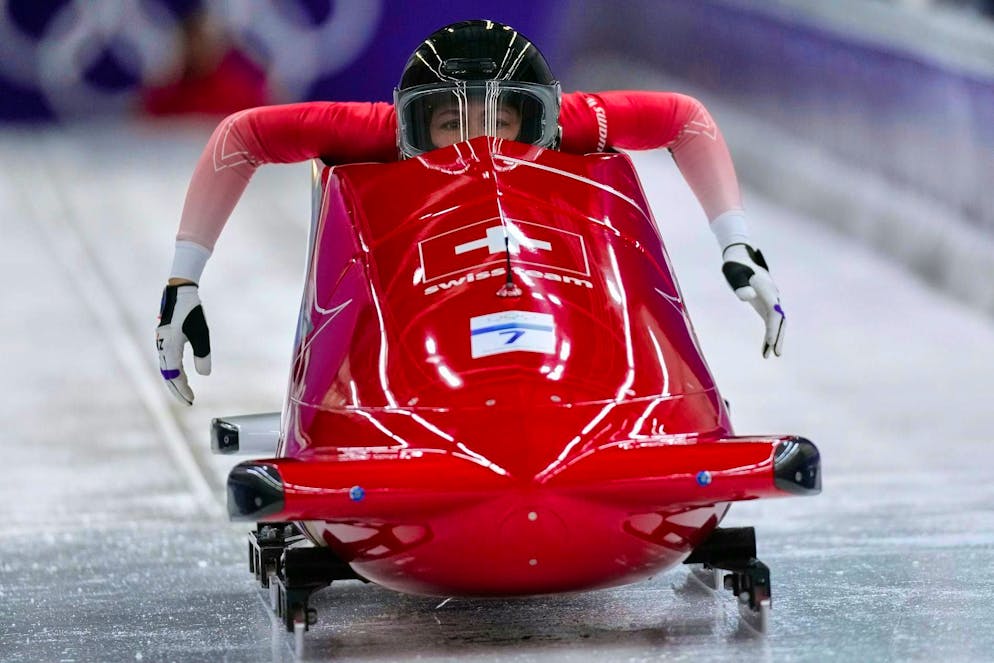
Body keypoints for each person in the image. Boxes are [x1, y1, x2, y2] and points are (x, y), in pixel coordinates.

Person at [155, 19, 786, 406]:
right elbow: (242, 136)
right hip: (421, 289)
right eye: (452, 122)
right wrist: (183, 280)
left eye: (500, 121)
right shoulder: (377, 131)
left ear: (535, 119)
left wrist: (736, 244)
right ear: (414, 123)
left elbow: (685, 118)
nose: (478, 140)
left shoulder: (570, 125)